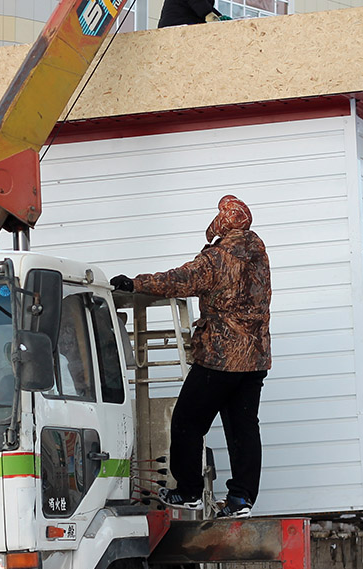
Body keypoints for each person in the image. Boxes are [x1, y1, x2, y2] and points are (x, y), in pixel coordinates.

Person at [110, 195, 270, 518]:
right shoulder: (259, 255)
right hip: (254, 359)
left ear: (227, 222)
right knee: (244, 428)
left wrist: (136, 283)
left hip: (221, 357)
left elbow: (180, 280)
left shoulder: (219, 258)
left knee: (187, 421)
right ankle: (241, 500)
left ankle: (188, 492)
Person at [158, 0, 229, 27]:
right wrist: (211, 16)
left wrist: (219, 16)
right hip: (176, 26)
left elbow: (205, 6)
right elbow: (199, 4)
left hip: (187, 26)